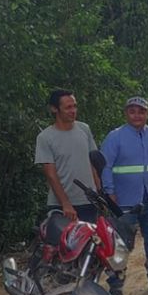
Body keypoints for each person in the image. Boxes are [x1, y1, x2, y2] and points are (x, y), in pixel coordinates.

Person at [100, 96, 148, 295]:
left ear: (147, 114)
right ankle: (116, 283)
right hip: (123, 200)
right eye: (133, 111)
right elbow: (105, 165)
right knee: (121, 243)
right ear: (126, 113)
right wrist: (109, 192)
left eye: (141, 111)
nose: (137, 115)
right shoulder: (115, 137)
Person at [34, 89, 101, 224]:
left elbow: (92, 162)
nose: (73, 111)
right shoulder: (45, 137)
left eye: (74, 106)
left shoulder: (84, 129)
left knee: (92, 243)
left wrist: (99, 192)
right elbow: (51, 174)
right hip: (61, 205)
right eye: (68, 107)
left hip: (88, 201)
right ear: (54, 109)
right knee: (63, 244)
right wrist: (65, 203)